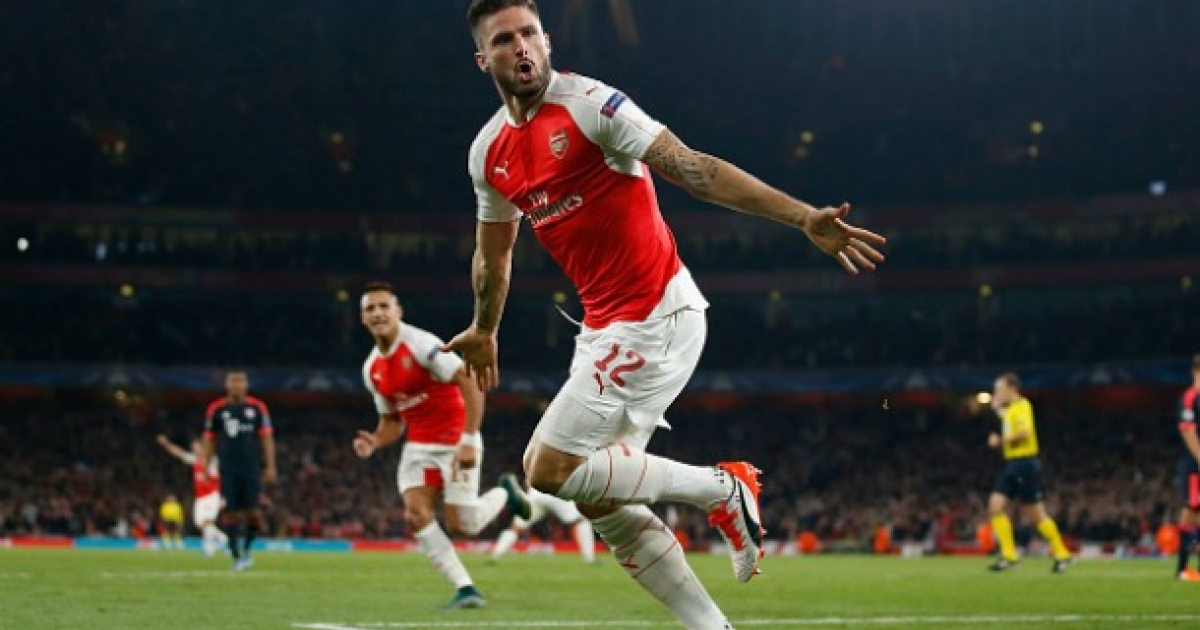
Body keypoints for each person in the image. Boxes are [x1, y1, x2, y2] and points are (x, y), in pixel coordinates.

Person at [446, 2, 886, 628]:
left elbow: (694, 170)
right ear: (481, 59)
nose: (520, 47)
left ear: (547, 42)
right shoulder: (488, 152)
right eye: (503, 40)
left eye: (529, 34)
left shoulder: (592, 106)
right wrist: (485, 328)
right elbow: (494, 253)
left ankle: (723, 488)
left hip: (657, 313)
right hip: (604, 328)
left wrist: (800, 217)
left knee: (546, 467)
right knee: (602, 501)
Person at [352, 281, 531, 610]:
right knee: (416, 514)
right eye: (370, 309)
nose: (377, 313)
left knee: (463, 525)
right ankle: (466, 588)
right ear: (363, 318)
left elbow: (469, 379)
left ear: (397, 311)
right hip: (419, 447)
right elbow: (392, 421)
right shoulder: (371, 369)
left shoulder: (421, 345)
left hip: (455, 439)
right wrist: (375, 441)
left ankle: (506, 492)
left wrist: (469, 439)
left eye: (383, 306)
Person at [985, 372, 1072, 573]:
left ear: (1012, 389)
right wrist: (997, 408)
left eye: (999, 389)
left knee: (1036, 515)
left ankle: (1062, 553)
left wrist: (1000, 441)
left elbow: (1025, 433)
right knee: (995, 506)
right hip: (1014, 464)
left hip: (1025, 464)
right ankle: (1009, 556)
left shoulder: (1023, 406)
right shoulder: (1012, 410)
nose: (997, 393)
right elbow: (1006, 418)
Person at [202, 370, 277, 571]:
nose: (236, 385)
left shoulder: (257, 408)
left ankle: (246, 548)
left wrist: (270, 465)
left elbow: (266, 438)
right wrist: (205, 466)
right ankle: (236, 553)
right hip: (227, 468)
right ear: (227, 385)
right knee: (230, 512)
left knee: (254, 512)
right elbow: (209, 439)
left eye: (240, 381)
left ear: (246, 384)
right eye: (233, 381)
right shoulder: (216, 409)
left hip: (251, 468)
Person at [488, 480, 596, 564]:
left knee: (515, 528)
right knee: (580, 521)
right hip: (556, 493)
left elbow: (528, 480)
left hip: (536, 494)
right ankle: (590, 558)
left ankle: (495, 556)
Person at [156, 434, 229, 557]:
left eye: (196, 447)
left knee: (206, 522)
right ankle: (219, 543)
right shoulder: (195, 460)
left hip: (212, 495)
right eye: (193, 448)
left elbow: (220, 476)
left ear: (203, 447)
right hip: (201, 497)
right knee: (201, 524)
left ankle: (213, 546)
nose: (194, 450)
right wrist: (166, 444)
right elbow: (179, 453)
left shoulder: (213, 461)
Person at [1173, 354, 1200, 580]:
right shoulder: (1190, 397)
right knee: (1191, 510)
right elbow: (1187, 429)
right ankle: (1182, 568)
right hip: (1193, 463)